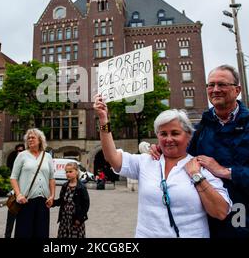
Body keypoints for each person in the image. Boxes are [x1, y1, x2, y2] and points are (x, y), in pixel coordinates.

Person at [177, 65, 249, 238]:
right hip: (218, 226)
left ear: (237, 90)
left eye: (222, 84)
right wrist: (160, 150)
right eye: (211, 85)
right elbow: (181, 161)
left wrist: (227, 172)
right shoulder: (201, 130)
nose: (215, 90)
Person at [94, 94, 231, 238]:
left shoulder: (200, 166)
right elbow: (111, 157)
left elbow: (221, 212)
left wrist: (197, 177)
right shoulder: (146, 161)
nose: (169, 139)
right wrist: (104, 119)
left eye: (175, 133)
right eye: (163, 134)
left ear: (188, 135)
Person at [10, 129, 55, 238]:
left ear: (40, 140)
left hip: (43, 201)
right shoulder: (22, 155)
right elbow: (13, 177)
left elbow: (51, 178)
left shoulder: (47, 156)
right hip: (26, 200)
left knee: (41, 232)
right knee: (24, 232)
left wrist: (52, 196)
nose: (30, 139)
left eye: (33, 137)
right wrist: (18, 194)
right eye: (28, 138)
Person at [53, 162, 90, 238]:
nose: (68, 174)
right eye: (66, 172)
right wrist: (52, 203)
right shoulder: (65, 186)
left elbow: (86, 205)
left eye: (70, 171)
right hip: (64, 219)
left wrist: (79, 219)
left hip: (75, 220)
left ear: (76, 172)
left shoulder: (81, 187)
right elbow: (61, 200)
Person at [4, 143, 25, 238]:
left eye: (21, 150)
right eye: (18, 151)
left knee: (21, 222)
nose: (19, 152)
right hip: (15, 196)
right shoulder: (16, 163)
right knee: (10, 221)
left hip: (25, 196)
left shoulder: (26, 163)